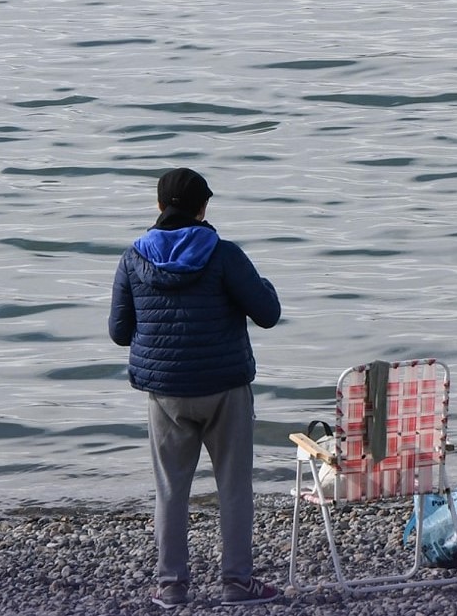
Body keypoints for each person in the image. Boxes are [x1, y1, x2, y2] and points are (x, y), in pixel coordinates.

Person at [109, 167, 283, 608]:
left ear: (159, 206)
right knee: (234, 486)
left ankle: (171, 586)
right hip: (225, 388)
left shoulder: (133, 258)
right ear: (203, 207)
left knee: (170, 488)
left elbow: (118, 331)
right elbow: (267, 313)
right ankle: (236, 582)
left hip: (165, 391)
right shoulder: (224, 255)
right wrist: (261, 286)